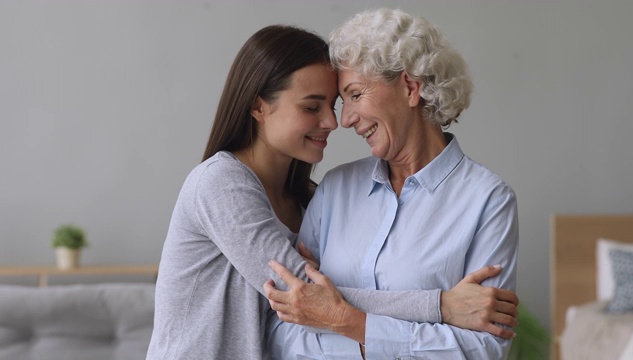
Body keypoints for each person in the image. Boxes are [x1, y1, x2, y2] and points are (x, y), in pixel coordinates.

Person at [146, 24, 517, 360]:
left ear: (410, 88)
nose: (338, 121)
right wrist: (442, 307)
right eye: (313, 106)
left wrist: (345, 322)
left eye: (347, 98)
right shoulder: (224, 183)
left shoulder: (309, 197)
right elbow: (300, 309)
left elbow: (316, 308)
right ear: (258, 106)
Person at [264, 8, 519, 360]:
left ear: (410, 88)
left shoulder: (488, 200)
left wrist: (343, 320)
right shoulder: (335, 190)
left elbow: (482, 350)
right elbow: (282, 328)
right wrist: (397, 335)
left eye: (355, 94)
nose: (346, 119)